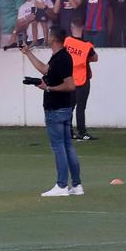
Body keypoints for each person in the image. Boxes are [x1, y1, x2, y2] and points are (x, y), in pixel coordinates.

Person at [22, 25, 83, 198]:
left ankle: (62, 185)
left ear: (54, 38)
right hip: (63, 108)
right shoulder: (59, 57)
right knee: (67, 146)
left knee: (59, 147)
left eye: (49, 35)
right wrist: (28, 53)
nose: (47, 37)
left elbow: (70, 85)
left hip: (56, 109)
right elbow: (45, 70)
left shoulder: (62, 58)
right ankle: (76, 185)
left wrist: (48, 88)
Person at [62, 26, 97, 142]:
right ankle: (82, 132)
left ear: (71, 27)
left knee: (69, 107)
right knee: (80, 108)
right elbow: (95, 58)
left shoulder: (67, 41)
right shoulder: (87, 45)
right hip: (82, 80)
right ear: (82, 28)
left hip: (70, 79)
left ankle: (69, 132)